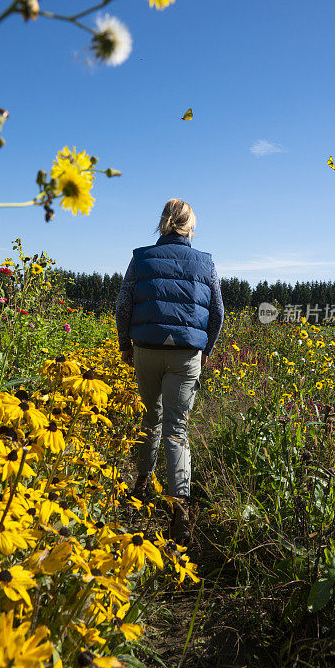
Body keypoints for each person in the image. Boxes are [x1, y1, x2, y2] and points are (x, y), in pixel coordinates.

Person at [115, 198, 224, 545]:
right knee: (177, 429)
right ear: (191, 226)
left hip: (146, 348)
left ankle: (142, 485)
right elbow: (218, 312)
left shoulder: (141, 257)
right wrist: (205, 349)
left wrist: (125, 346)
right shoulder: (206, 263)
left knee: (151, 418)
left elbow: (123, 305)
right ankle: (179, 513)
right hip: (185, 353)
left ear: (163, 223)